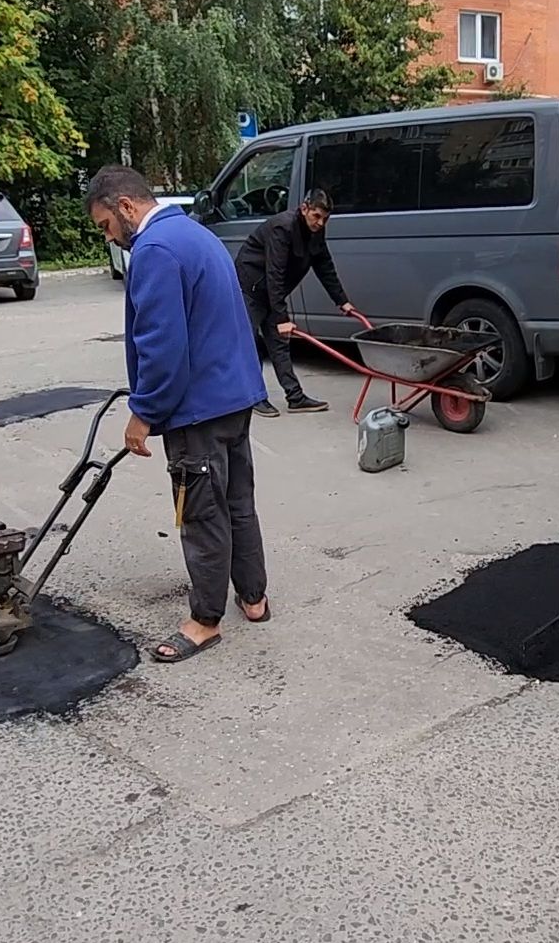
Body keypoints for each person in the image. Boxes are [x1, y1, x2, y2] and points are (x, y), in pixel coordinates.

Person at [87, 165, 272, 663]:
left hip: (197, 410)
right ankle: (253, 598)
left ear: (126, 207)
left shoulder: (153, 250)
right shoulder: (193, 233)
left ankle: (204, 621)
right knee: (237, 502)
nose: (111, 238)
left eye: (106, 226)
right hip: (234, 396)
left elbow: (163, 345)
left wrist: (143, 412)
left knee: (200, 514)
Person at [234, 189, 360, 417]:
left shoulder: (315, 232)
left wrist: (341, 301)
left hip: (273, 290)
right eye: (316, 216)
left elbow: (324, 265)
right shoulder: (282, 228)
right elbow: (275, 272)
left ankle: (295, 397)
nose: (320, 223)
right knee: (251, 344)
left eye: (325, 219)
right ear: (304, 209)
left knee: (280, 344)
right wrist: (281, 317)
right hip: (251, 287)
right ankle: (255, 397)